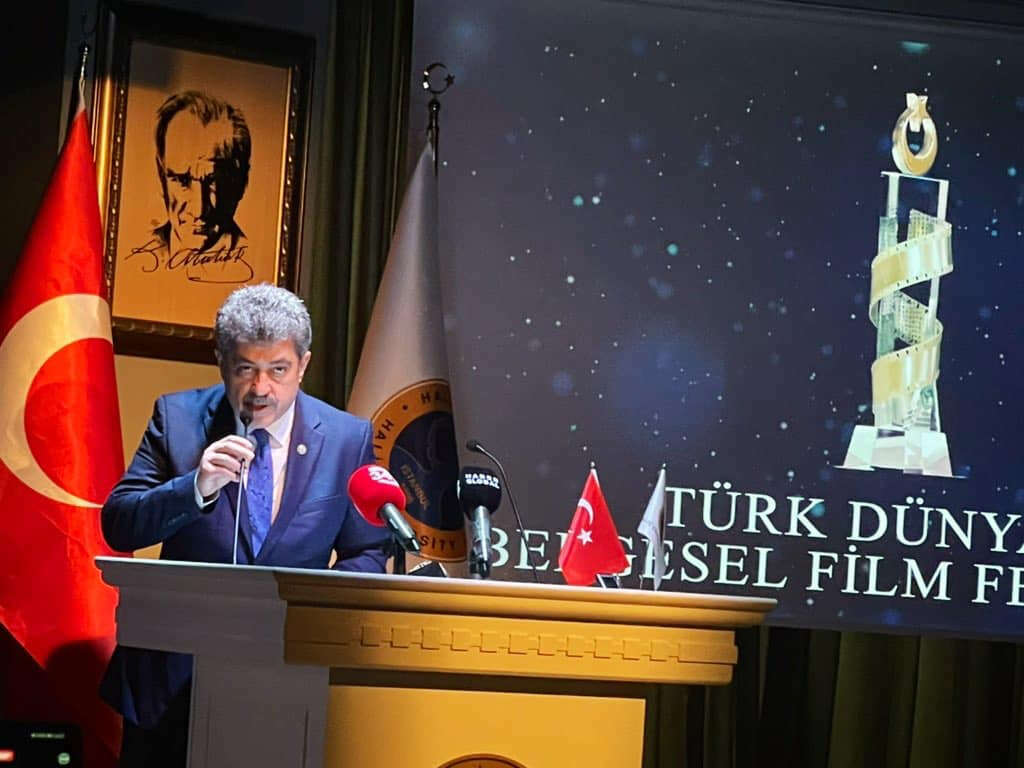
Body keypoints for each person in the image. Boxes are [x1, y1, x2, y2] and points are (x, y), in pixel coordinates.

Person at [99, 284, 389, 767]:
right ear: (221, 362)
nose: (260, 389)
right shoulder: (177, 419)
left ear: (304, 365)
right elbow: (120, 524)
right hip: (173, 684)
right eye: (245, 369)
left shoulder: (346, 438)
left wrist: (315, 615)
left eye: (278, 369)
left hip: (289, 679)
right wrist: (196, 486)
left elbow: (367, 551)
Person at [128, 90, 252, 283]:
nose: (198, 209)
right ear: (161, 176)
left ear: (241, 181)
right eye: (181, 181)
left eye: (213, 181)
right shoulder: (133, 259)